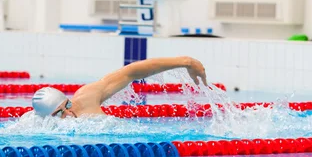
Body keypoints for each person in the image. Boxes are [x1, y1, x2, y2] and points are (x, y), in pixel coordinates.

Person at [31, 56, 207, 119]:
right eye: (60, 113)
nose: (69, 113)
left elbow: (130, 72)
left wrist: (185, 62)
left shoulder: (86, 97)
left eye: (67, 105)